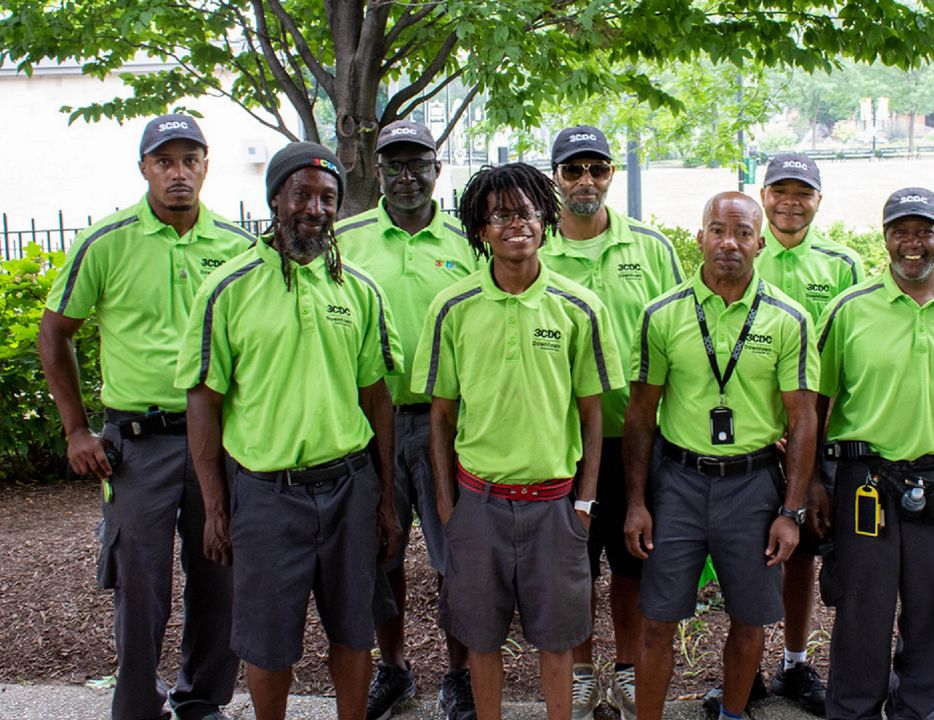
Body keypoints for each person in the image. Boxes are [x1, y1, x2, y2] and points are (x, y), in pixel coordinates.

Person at [177, 142, 403, 720]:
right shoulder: (229, 288)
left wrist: (384, 499)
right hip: (267, 493)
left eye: (328, 197)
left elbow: (376, 399)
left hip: (351, 488)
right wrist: (215, 507)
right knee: (267, 640)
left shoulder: (359, 291)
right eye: (301, 193)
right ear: (276, 197)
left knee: (354, 630)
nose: (315, 208)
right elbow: (203, 402)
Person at [38, 114, 250, 720]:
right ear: (144, 169)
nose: (178, 173)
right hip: (137, 445)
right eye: (165, 161)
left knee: (219, 572)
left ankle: (201, 699)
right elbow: (56, 333)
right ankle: (135, 704)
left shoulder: (237, 248)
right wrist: (77, 429)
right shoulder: (107, 242)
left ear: (207, 165)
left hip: (219, 440)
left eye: (190, 159)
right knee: (141, 582)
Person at [414, 162, 623, 720]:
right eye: (500, 215)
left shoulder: (579, 307)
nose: (517, 224)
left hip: (555, 505)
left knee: (556, 643)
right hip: (477, 503)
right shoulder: (452, 308)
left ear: (545, 219)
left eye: (528, 212)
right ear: (480, 230)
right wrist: (446, 505)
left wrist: (584, 501)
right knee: (481, 641)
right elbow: (440, 415)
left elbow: (592, 413)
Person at [814, 187, 934, 720]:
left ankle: (919, 710)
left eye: (925, 230)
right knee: (861, 611)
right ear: (885, 238)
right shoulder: (849, 310)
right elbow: (815, 403)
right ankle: (852, 710)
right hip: (866, 485)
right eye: (901, 231)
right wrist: (811, 480)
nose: (913, 243)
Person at [624, 191, 818, 720]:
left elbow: (802, 421)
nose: (728, 243)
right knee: (659, 618)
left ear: (759, 242)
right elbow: (641, 415)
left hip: (753, 485)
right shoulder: (662, 315)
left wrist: (790, 512)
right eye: (717, 230)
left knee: (749, 618)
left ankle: (735, 713)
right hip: (678, 483)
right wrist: (637, 502)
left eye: (741, 234)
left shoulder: (788, 318)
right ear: (700, 237)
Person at [540, 125, 684, 720]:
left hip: (637, 437)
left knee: (631, 557)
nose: (585, 181)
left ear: (610, 175)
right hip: (561, 440)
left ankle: (626, 671)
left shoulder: (650, 248)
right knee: (573, 563)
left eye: (596, 169)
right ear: (555, 177)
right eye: (573, 170)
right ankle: (578, 671)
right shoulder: (536, 247)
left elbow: (682, 334)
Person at [337, 120, 479, 720]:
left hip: (450, 424)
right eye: (393, 164)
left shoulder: (469, 240)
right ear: (377, 170)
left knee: (457, 557)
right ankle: (394, 668)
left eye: (417, 163)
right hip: (370, 422)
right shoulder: (345, 240)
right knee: (379, 551)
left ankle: (461, 675)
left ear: (436, 170)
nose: (405, 176)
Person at [737, 152, 865, 716]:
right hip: (746, 436)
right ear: (763, 196)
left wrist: (813, 452)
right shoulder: (741, 251)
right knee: (745, 554)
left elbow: (846, 363)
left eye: (803, 193)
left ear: (819, 199)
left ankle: (792, 661)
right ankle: (743, 670)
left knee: (800, 553)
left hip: (811, 435)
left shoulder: (841, 264)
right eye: (780, 191)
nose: (791, 203)